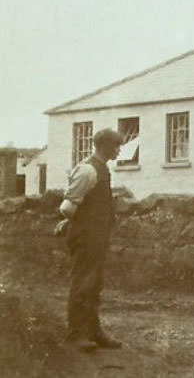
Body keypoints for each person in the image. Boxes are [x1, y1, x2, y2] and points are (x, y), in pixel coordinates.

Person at [56, 128, 123, 352]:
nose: (118, 149)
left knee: (94, 283)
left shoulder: (101, 169)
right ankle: (75, 333)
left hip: (97, 235)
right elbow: (67, 207)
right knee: (83, 281)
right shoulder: (88, 170)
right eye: (116, 145)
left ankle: (93, 331)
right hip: (86, 236)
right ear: (103, 145)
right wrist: (73, 222)